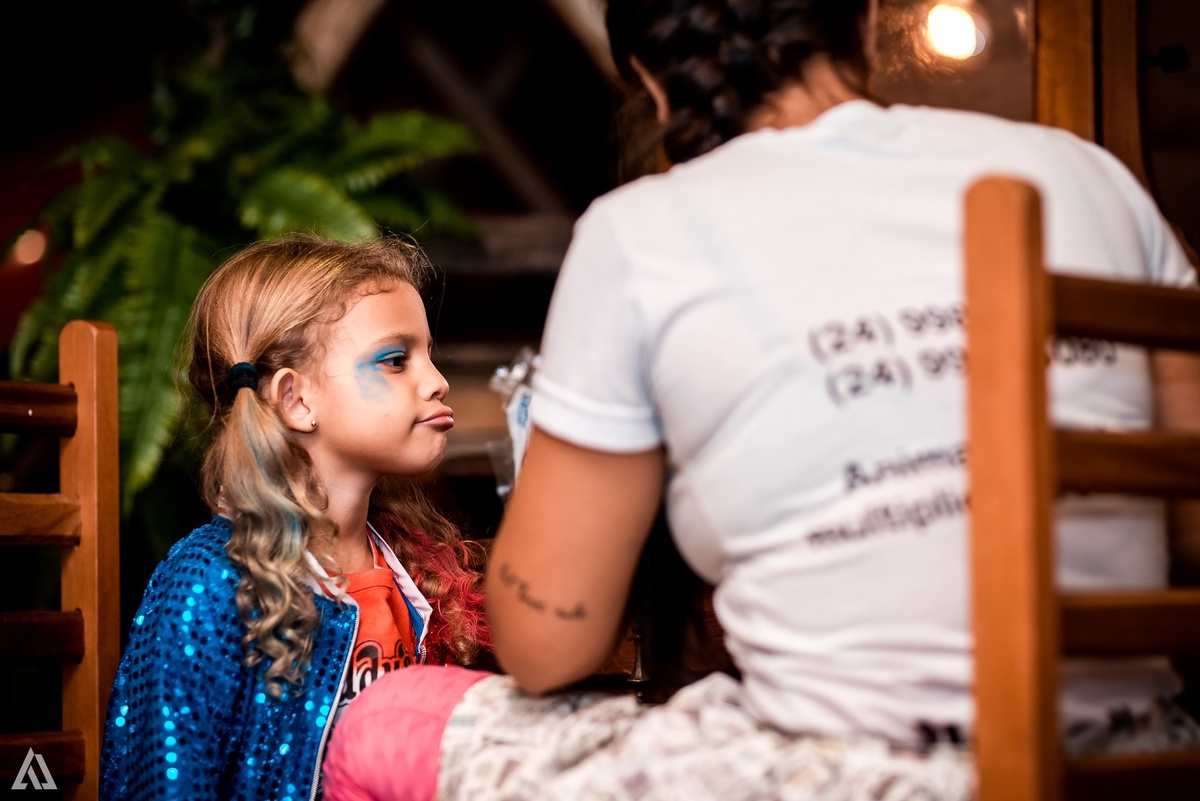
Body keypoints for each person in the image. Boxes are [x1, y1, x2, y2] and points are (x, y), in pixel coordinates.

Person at [322, 1, 1200, 799]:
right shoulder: (1089, 173)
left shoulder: (644, 234)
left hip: (853, 777)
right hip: (1135, 753)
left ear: (651, 81)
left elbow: (551, 646)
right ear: (863, 24)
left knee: (378, 722)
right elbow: (1186, 523)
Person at [99, 234, 490, 800]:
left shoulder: (417, 571)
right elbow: (161, 784)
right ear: (297, 401)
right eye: (397, 360)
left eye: (430, 354)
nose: (437, 381)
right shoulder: (208, 582)